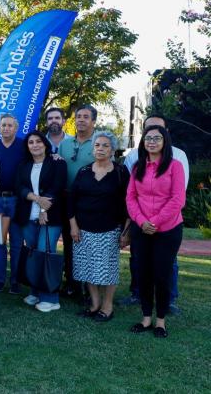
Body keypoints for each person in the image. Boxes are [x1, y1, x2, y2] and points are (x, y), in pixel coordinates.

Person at [120, 115, 189, 315]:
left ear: (165, 139)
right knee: (143, 271)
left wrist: (155, 222)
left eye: (157, 137)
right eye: (148, 138)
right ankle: (146, 316)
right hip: (141, 227)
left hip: (168, 228)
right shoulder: (137, 166)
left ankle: (162, 317)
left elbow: (178, 199)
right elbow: (130, 198)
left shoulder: (175, 164)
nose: (152, 142)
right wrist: (142, 222)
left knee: (163, 272)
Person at [68, 131, 130, 321]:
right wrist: (73, 226)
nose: (100, 149)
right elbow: (71, 200)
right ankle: (94, 304)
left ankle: (107, 306)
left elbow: (129, 203)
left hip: (110, 229)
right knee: (87, 267)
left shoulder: (120, 172)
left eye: (105, 145)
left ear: (112, 150)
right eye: (97, 145)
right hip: (83, 229)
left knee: (107, 269)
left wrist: (126, 232)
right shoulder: (84, 171)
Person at [14, 131, 67, 312]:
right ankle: (35, 292)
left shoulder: (57, 163)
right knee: (34, 253)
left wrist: (45, 209)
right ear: (27, 146)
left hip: (51, 216)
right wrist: (36, 198)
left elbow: (57, 187)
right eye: (31, 142)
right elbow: (19, 186)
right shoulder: (23, 164)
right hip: (28, 216)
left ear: (45, 144)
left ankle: (51, 298)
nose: (35, 145)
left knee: (46, 252)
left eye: (38, 141)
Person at [57, 104, 97, 297]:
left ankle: (90, 288)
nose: (81, 120)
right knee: (68, 241)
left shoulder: (99, 143)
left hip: (89, 201)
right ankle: (71, 283)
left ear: (93, 121)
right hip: (66, 198)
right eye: (78, 116)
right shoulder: (65, 144)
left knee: (87, 242)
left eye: (85, 117)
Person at [0, 113, 26, 294]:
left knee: (17, 242)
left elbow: (41, 157)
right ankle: (0, 280)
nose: (6, 128)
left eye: (10, 125)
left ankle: (15, 281)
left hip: (17, 200)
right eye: (3, 125)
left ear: (16, 128)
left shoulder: (23, 146)